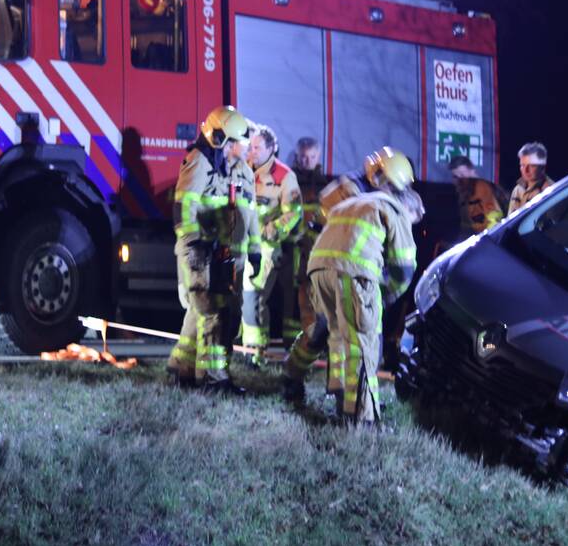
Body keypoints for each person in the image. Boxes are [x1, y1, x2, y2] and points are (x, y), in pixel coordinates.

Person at [283, 147, 419, 425]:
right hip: (347, 272)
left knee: (327, 333)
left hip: (322, 267)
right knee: (356, 341)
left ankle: (305, 381)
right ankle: (357, 413)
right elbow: (404, 268)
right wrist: (383, 297)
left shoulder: (353, 195)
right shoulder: (383, 204)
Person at [167, 105, 260, 394]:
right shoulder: (200, 162)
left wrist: (254, 249)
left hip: (220, 253)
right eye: (235, 143)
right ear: (220, 139)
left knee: (204, 313)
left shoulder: (232, 168)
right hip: (200, 250)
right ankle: (212, 379)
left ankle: (181, 368)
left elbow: (248, 213)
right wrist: (194, 243)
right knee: (212, 312)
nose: (240, 148)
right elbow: (185, 207)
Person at [241, 124, 302, 367]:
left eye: (257, 147)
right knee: (243, 299)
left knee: (254, 298)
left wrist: (269, 231)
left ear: (271, 148)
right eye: (251, 147)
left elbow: (293, 213)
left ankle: (254, 352)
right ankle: (245, 348)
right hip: (240, 245)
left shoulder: (284, 176)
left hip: (266, 248)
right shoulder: (244, 170)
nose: (252, 151)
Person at [284, 137, 329, 349]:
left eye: (311, 156)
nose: (307, 161)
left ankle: (310, 340)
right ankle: (290, 341)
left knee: (311, 295)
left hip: (314, 249)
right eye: (303, 156)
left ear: (318, 156)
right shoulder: (290, 180)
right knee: (290, 295)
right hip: (291, 246)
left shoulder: (324, 185)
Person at [448, 154, 507, 238]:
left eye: (463, 175)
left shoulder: (482, 188)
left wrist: (487, 239)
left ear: (472, 171)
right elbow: (466, 227)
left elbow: (494, 220)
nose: (459, 180)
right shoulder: (463, 195)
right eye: (455, 177)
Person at [509, 142, 555, 214]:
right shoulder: (517, 189)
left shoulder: (552, 191)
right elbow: (510, 218)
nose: (526, 170)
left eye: (532, 165)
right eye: (522, 165)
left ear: (542, 167)